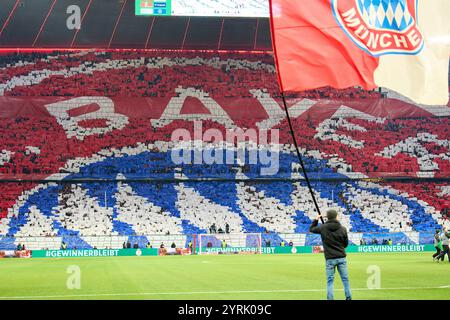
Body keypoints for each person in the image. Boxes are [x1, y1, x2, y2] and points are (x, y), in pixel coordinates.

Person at [309, 209, 352, 300]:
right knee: (345, 280)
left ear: (327, 217)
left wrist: (316, 220)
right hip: (341, 257)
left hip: (330, 258)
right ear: (336, 217)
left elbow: (311, 229)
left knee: (330, 281)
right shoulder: (343, 229)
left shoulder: (323, 228)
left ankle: (330, 298)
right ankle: (348, 298)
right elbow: (345, 244)